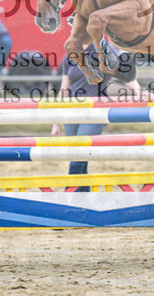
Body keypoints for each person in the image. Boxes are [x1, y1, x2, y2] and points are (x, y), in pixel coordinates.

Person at [51, 31, 144, 188]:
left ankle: (70, 192)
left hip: (95, 112)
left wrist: (140, 92)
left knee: (79, 154)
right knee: (78, 155)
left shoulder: (103, 52)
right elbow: (64, 90)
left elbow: (125, 73)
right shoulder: (71, 56)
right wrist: (55, 121)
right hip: (71, 113)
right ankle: (82, 194)